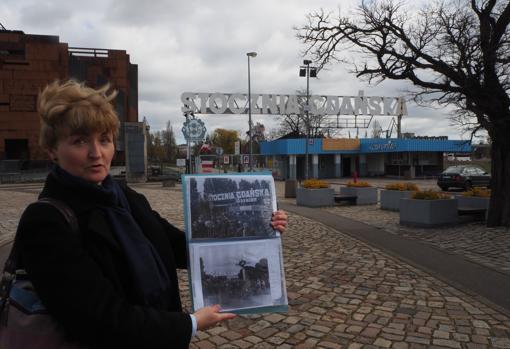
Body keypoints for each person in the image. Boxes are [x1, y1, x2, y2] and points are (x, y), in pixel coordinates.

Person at [15, 80, 288, 349]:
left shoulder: (124, 197)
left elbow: (183, 248)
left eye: (105, 140)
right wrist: (189, 324)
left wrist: (259, 228)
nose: (96, 153)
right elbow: (98, 320)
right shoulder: (45, 222)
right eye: (79, 141)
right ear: (52, 150)